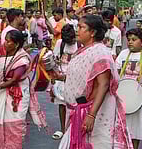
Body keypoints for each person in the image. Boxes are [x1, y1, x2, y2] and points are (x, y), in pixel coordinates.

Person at [54, 15, 133, 149]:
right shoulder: (83, 50)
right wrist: (60, 77)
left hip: (94, 111)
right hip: (79, 109)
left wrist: (91, 115)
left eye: (81, 27)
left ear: (93, 32)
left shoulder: (100, 52)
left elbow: (104, 84)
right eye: (77, 26)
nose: (77, 30)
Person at [50, 24, 78, 140]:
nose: (70, 42)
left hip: (75, 79)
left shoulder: (80, 44)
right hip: (61, 78)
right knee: (61, 104)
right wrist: (54, 76)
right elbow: (55, 60)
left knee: (74, 105)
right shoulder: (60, 43)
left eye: (71, 40)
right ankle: (63, 129)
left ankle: (73, 129)